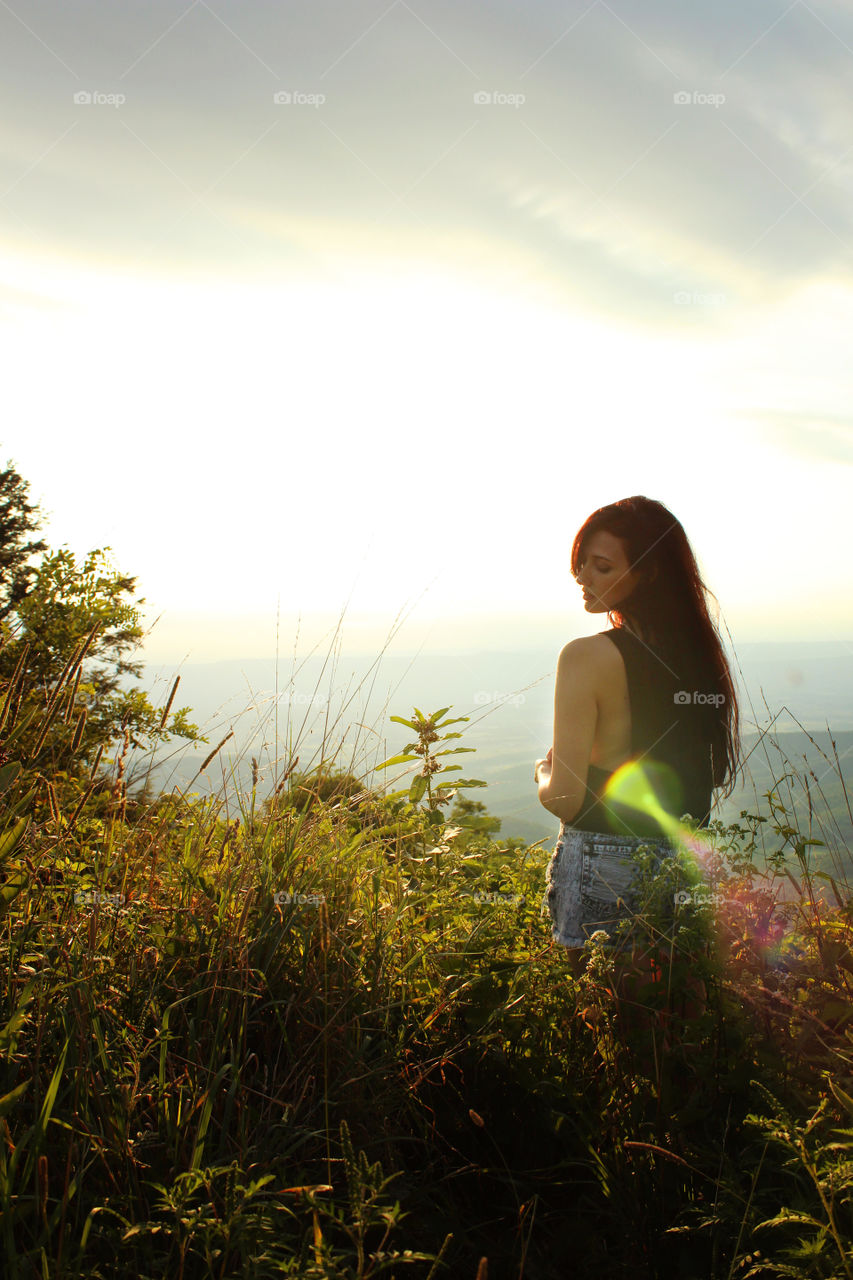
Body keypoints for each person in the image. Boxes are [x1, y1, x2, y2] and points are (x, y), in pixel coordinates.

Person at [534, 496, 741, 1052]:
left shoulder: (586, 656)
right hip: (681, 862)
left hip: (603, 862)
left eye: (602, 566)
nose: (582, 577)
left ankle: (617, 1136)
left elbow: (567, 799)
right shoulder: (698, 656)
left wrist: (542, 773)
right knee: (676, 1028)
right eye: (582, 563)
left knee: (602, 1037)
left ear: (645, 572)